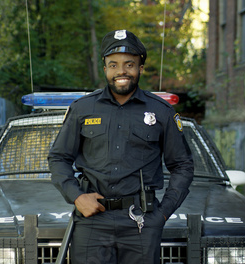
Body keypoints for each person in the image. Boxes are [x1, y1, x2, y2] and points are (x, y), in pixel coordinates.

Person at [48, 29, 194, 264]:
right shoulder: (82, 109)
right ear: (105, 69)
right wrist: (77, 197)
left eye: (129, 64)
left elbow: (183, 165)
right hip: (92, 220)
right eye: (113, 65)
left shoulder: (161, 112)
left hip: (142, 222)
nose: (121, 71)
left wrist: (163, 213)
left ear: (140, 68)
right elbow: (59, 158)